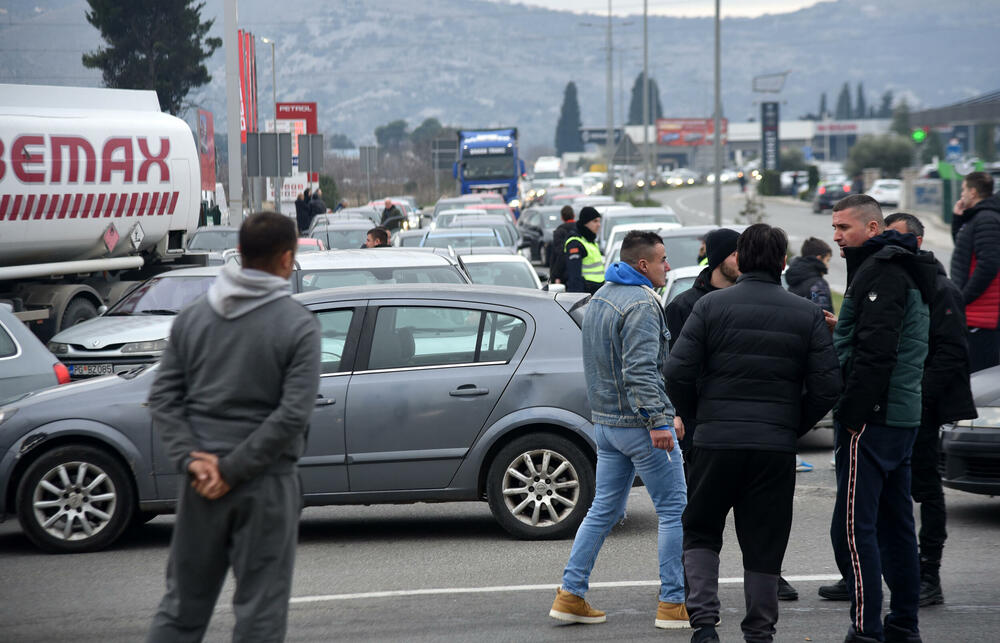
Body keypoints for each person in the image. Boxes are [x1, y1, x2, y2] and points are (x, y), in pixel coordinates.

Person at [146, 212, 321, 642]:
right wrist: (233, 470)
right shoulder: (299, 326)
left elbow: (163, 399)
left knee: (182, 609)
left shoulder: (192, 319)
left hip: (199, 485)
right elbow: (291, 415)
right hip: (266, 485)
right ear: (286, 259)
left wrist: (194, 461)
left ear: (240, 254)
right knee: (259, 616)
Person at [665, 224, 841, 643]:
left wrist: (697, 416)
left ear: (740, 261)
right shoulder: (805, 313)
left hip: (714, 441)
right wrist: (791, 426)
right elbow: (828, 386)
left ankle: (705, 626)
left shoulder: (709, 308)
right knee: (765, 540)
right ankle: (760, 631)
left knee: (702, 529)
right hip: (773, 446)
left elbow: (675, 372)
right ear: (783, 262)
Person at [819, 213, 976, 608]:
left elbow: (948, 352)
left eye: (899, 238)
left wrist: (911, 398)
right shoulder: (887, 275)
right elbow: (883, 337)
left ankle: (925, 579)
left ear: (916, 243)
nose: (836, 237)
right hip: (896, 407)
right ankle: (869, 587)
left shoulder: (927, 283)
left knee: (915, 500)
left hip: (908, 410)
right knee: (883, 515)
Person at [549, 230, 688, 630]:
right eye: (662, 259)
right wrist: (659, 420)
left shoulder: (600, 296)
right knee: (674, 510)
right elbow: (641, 370)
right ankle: (673, 604)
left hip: (606, 426)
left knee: (602, 511)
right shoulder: (643, 303)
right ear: (643, 264)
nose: (667, 266)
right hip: (640, 428)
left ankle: (571, 595)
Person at [827, 194, 937, 643]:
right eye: (833, 228)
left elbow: (876, 352)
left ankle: (866, 631)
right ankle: (903, 625)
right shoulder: (900, 266)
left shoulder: (882, 272)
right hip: (900, 415)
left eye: (844, 228)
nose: (835, 236)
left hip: (874, 419)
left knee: (859, 534)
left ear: (873, 229)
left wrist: (853, 414)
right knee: (896, 530)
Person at [949, 171, 1000, 372]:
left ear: (972, 191)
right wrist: (957, 219)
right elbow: (964, 251)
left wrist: (964, 297)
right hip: (975, 314)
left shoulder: (986, 219)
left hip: (984, 317)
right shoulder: (977, 218)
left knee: (981, 382)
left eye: (963, 190)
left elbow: (988, 264)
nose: (961, 195)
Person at [785, 237, 834, 314]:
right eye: (827, 260)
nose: (828, 266)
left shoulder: (794, 278)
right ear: (819, 258)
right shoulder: (819, 284)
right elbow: (825, 316)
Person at [563, 206, 604, 294]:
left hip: (597, 293)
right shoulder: (575, 243)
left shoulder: (591, 242)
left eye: (599, 221)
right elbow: (574, 277)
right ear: (586, 223)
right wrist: (578, 302)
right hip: (586, 295)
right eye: (595, 221)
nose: (598, 225)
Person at [548, 205, 576, 282]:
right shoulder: (580, 230)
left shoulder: (559, 232)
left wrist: (556, 275)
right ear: (574, 216)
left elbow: (560, 254)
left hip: (563, 275)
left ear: (562, 218)